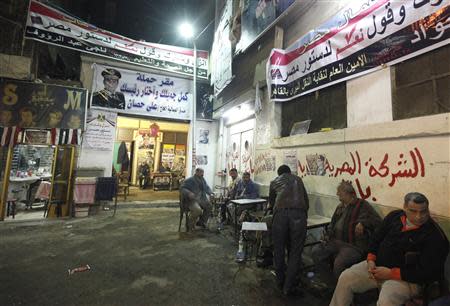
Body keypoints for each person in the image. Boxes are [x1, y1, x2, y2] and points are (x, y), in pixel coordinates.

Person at [330, 192, 449, 306]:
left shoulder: (433, 235)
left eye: (423, 211)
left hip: (406, 279)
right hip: (377, 268)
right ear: (405, 208)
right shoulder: (394, 217)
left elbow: (429, 272)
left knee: (386, 300)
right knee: (346, 277)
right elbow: (376, 238)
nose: (419, 216)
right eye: (413, 211)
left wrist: (391, 274)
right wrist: (371, 259)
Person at [312, 180, 382, 286]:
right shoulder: (340, 207)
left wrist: (363, 223)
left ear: (348, 193)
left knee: (339, 263)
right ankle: (331, 284)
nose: (337, 194)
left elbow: (378, 222)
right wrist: (326, 234)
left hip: (353, 245)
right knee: (316, 251)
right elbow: (332, 224)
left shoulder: (362, 204)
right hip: (336, 241)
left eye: (339, 191)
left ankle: (341, 290)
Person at [268, 164, 309, 296]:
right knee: (295, 251)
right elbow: (306, 202)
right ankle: (289, 286)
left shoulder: (274, 182)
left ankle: (280, 281)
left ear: (279, 174)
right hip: (298, 215)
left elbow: (271, 202)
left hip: (280, 216)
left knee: (279, 249)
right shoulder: (298, 179)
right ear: (290, 172)